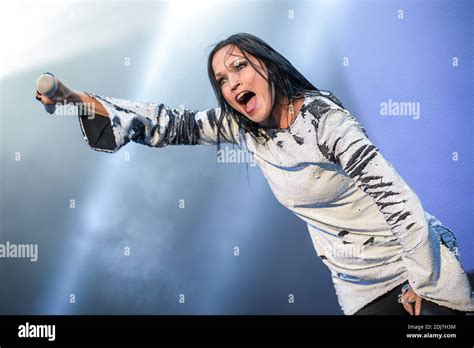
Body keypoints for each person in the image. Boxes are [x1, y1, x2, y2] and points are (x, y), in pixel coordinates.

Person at [35, 33, 474, 315]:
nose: (231, 83)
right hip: (359, 287)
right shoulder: (244, 128)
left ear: (266, 65)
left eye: (239, 66)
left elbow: (400, 205)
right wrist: (76, 98)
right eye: (222, 80)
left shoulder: (323, 120)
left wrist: (425, 284)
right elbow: (167, 124)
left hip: (415, 265)